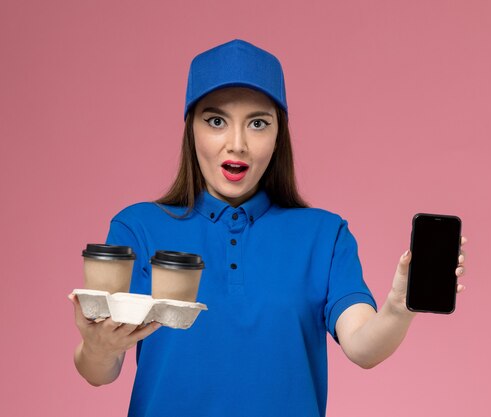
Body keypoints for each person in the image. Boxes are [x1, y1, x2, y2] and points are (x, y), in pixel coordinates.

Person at [69, 39, 468, 417]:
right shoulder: (138, 228)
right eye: (216, 121)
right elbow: (99, 371)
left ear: (279, 135)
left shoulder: (324, 236)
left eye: (258, 123)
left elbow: (362, 346)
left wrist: (399, 308)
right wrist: (97, 346)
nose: (237, 143)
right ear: (192, 129)